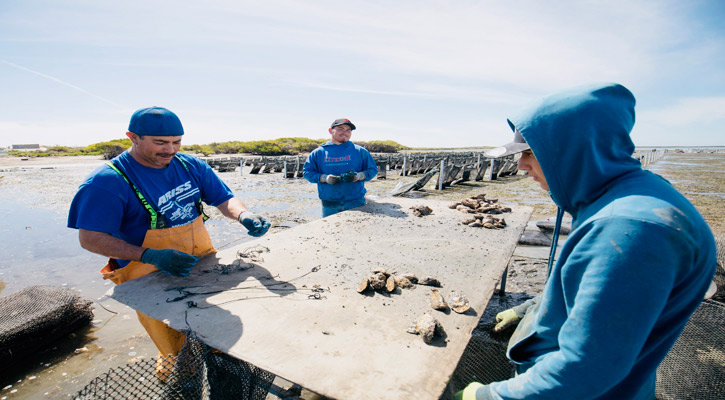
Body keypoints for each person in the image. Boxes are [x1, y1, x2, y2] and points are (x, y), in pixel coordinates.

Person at [456, 83, 717, 399]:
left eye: (529, 153)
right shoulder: (625, 197)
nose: (521, 166)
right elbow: (597, 293)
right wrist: (531, 307)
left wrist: (487, 397)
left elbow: (583, 371)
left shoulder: (629, 229)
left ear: (572, 150)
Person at [67, 106, 270, 379]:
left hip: (203, 264)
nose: (170, 150)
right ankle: (182, 386)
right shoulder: (107, 181)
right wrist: (152, 256)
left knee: (220, 337)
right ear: (133, 137)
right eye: (160, 143)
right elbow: (90, 239)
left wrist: (243, 214)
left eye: (177, 142)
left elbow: (223, 198)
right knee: (178, 349)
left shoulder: (190, 165)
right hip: (149, 275)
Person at [303, 118, 378, 217]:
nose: (345, 132)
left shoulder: (360, 151)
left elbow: (372, 170)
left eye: (348, 130)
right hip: (329, 203)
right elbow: (307, 173)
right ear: (331, 131)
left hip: (355, 201)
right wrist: (325, 178)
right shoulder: (318, 152)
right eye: (340, 129)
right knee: (330, 230)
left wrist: (359, 176)